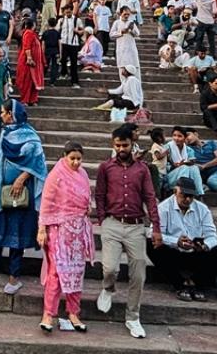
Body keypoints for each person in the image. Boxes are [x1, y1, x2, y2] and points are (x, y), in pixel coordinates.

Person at [93, 124, 161, 339]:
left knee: (138, 275)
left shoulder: (142, 169)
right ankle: (108, 288)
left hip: (135, 226)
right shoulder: (106, 167)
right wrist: (102, 218)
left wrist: (156, 227)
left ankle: (133, 317)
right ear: (113, 145)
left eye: (125, 145)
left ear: (132, 145)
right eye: (118, 145)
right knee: (110, 268)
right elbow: (100, 194)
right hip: (112, 223)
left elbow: (150, 197)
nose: (122, 148)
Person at [0, 100, 45, 295]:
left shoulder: (31, 137)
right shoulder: (4, 133)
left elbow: (38, 163)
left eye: (3, 112)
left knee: (16, 238)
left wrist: (23, 176)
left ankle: (13, 278)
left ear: (12, 114)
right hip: (2, 193)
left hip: (21, 193)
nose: (1, 116)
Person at [36, 141, 95, 333]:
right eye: (72, 158)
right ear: (64, 156)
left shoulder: (84, 174)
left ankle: (73, 312)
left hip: (78, 231)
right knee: (56, 272)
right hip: (59, 230)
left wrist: (88, 206)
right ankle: (48, 314)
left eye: (79, 159)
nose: (76, 162)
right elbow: (46, 202)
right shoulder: (56, 175)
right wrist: (42, 229)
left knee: (77, 272)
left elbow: (86, 196)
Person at [148, 177, 217, 301]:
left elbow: (212, 236)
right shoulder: (163, 208)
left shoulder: (202, 209)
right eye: (184, 195)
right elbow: (154, 233)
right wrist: (176, 242)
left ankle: (196, 282)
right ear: (175, 192)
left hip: (196, 254)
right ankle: (179, 285)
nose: (188, 199)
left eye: (191, 196)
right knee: (150, 244)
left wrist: (205, 245)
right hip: (173, 253)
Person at [14, 18, 45, 105]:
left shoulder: (33, 34)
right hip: (28, 62)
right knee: (27, 81)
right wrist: (29, 58)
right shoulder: (28, 33)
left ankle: (33, 100)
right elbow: (27, 46)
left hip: (34, 63)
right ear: (33, 25)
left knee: (33, 82)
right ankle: (25, 100)